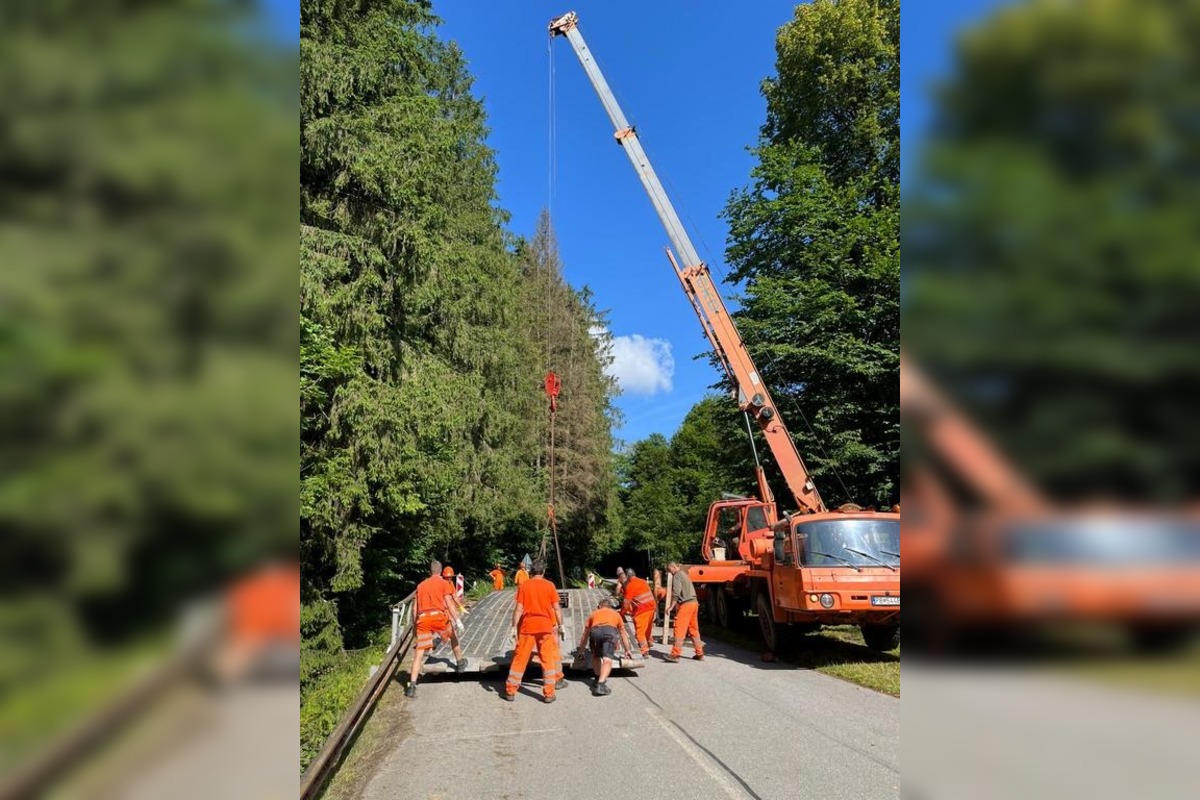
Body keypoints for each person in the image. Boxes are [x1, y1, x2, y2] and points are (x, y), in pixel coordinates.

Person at [504, 560, 563, 704]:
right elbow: (556, 608)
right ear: (543, 572)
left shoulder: (524, 585)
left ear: (531, 572)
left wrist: (513, 627)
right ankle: (549, 694)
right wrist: (561, 625)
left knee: (520, 658)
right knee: (547, 659)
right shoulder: (550, 586)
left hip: (527, 627)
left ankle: (510, 691)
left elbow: (519, 609)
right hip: (545, 627)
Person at [407, 561, 466, 697]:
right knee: (453, 636)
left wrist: (415, 626)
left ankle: (412, 686)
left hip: (423, 619)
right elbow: (449, 603)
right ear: (440, 572)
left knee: (419, 654)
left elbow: (415, 609)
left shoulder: (420, 586)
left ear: (430, 571)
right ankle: (460, 663)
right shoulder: (444, 584)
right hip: (438, 617)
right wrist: (457, 620)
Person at [576, 597, 632, 696]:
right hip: (609, 632)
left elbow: (585, 635)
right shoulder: (616, 614)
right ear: (610, 607)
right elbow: (623, 634)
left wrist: (581, 651)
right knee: (607, 659)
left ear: (599, 606)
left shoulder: (593, 614)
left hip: (595, 631)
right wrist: (627, 650)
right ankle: (601, 685)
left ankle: (597, 679)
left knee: (596, 656)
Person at [664, 562, 704, 662]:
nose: (670, 573)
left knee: (679, 629)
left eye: (670, 570)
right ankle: (700, 653)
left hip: (686, 605)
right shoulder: (684, 574)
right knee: (694, 630)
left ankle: (675, 654)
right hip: (694, 604)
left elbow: (676, 593)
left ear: (674, 567)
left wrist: (671, 607)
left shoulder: (677, 576)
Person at [621, 568, 656, 657]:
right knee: (647, 629)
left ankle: (644, 650)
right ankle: (648, 643)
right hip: (651, 607)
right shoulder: (643, 581)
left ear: (628, 576)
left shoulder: (631, 585)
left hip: (642, 610)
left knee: (640, 632)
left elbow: (626, 603)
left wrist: (621, 613)